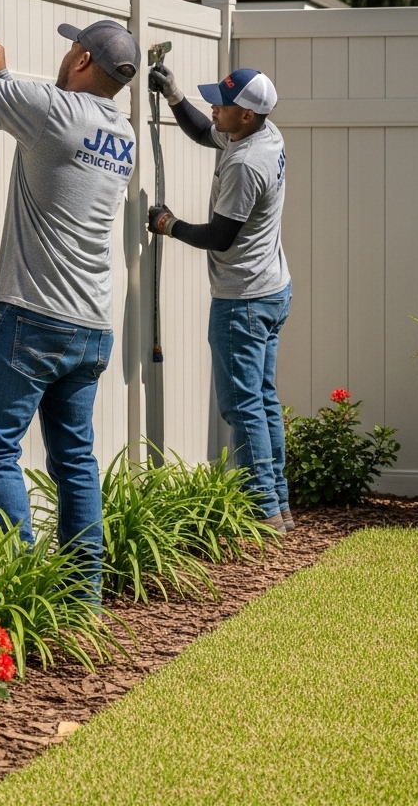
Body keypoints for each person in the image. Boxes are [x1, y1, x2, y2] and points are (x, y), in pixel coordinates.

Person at [0, 0, 140, 597]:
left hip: (33, 319)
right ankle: (80, 601)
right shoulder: (123, 134)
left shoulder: (53, 112)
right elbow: (50, 137)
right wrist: (7, 79)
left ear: (81, 58)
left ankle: (19, 590)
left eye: (69, 46)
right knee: (74, 462)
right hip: (91, 326)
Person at [147, 63, 293, 533]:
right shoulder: (262, 137)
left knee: (241, 405)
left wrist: (168, 225)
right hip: (271, 289)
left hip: (243, 301)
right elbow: (203, 131)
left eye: (223, 103)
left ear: (246, 116)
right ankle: (279, 503)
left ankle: (262, 511)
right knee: (262, 400)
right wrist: (173, 94)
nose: (214, 106)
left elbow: (220, 236)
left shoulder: (247, 163)